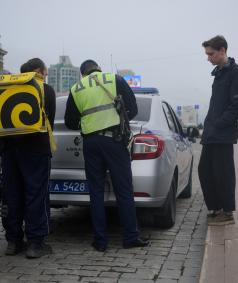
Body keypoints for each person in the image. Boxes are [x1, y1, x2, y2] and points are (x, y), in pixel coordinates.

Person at [0, 58, 56, 258]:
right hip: (35, 150)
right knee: (36, 195)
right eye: (45, 71)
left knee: (12, 195)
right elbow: (49, 120)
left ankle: (13, 242)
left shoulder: (4, 87)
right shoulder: (44, 88)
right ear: (39, 71)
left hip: (8, 150)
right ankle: (35, 243)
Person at [64, 59, 149, 252]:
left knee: (95, 191)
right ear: (99, 69)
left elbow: (70, 121)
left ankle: (100, 241)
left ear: (82, 74)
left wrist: (88, 125)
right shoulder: (114, 79)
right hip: (114, 141)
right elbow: (133, 109)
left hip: (91, 144)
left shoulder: (77, 88)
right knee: (124, 190)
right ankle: (130, 237)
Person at [198, 35, 238, 225]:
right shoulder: (219, 72)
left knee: (223, 173)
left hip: (222, 132)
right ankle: (216, 207)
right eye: (207, 54)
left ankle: (227, 213)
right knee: (205, 170)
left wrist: (219, 123)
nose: (208, 58)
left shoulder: (236, 72)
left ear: (222, 51)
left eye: (211, 54)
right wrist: (210, 126)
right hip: (212, 132)